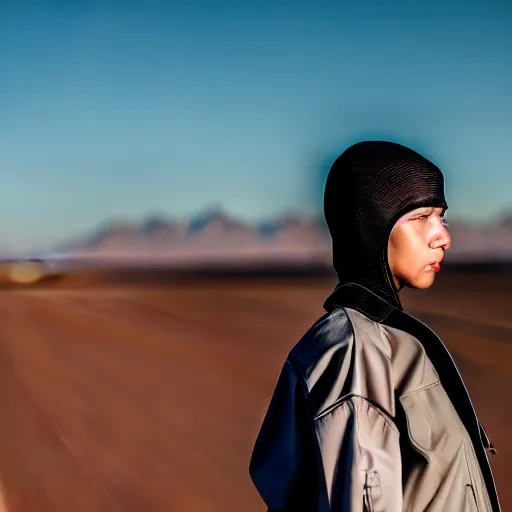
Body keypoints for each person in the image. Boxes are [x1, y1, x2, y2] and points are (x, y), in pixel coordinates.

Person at [249, 141, 500, 511]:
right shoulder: (357, 352)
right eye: (421, 217)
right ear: (372, 224)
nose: (443, 236)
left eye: (441, 217)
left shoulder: (389, 341)